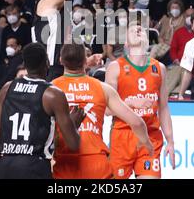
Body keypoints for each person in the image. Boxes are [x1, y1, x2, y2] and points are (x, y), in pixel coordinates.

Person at [52, 44, 153, 179]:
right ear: (84, 61)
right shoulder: (102, 88)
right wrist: (145, 142)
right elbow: (137, 123)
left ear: (60, 61)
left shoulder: (51, 89)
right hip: (96, 164)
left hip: (65, 164)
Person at [0, 43, 85, 179]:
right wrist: (73, 124)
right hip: (34, 166)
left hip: (5, 166)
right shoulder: (53, 94)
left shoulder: (7, 88)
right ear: (47, 63)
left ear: (24, 64)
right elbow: (74, 144)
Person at [106, 22, 176, 179]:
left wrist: (170, 141)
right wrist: (130, 103)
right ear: (126, 43)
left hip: (150, 137)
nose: (138, 29)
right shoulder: (115, 67)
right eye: (132, 29)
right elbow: (107, 110)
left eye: (141, 29)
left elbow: (164, 107)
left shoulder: (160, 68)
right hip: (123, 136)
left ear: (148, 40)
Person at [167, 7, 194, 95]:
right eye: (188, 15)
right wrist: (176, 60)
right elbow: (173, 49)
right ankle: (167, 93)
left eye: (192, 16)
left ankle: (176, 93)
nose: (189, 18)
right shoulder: (178, 32)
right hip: (179, 63)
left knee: (185, 70)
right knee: (175, 71)